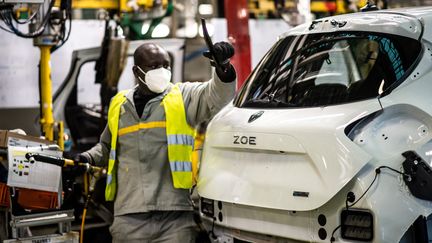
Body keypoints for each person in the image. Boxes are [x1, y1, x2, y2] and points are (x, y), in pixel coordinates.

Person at [76, 41, 236, 243]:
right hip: (129, 216)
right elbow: (107, 147)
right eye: (154, 66)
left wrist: (223, 69)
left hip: (174, 217)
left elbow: (217, 97)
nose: (161, 71)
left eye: (166, 65)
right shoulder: (119, 104)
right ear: (137, 71)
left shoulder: (182, 97)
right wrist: (86, 158)